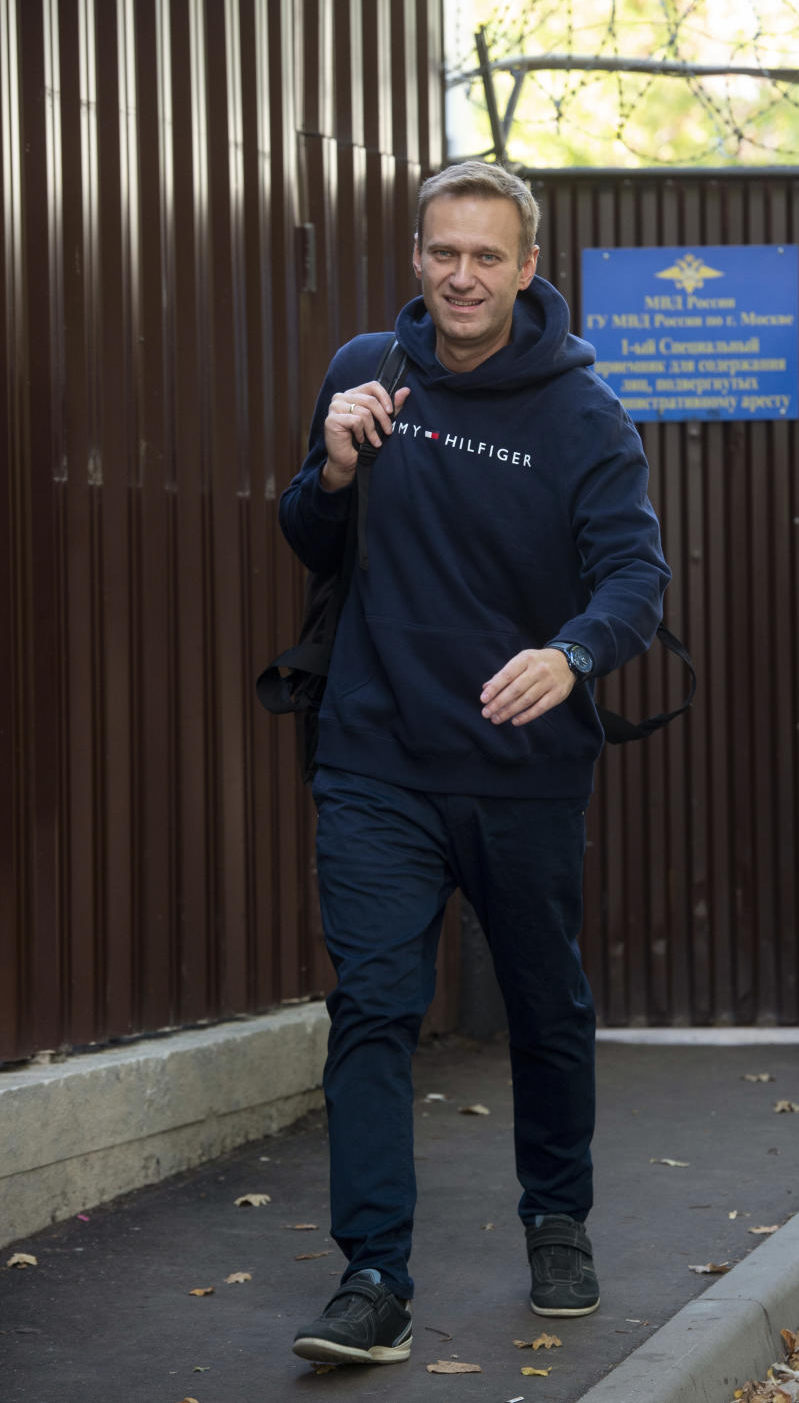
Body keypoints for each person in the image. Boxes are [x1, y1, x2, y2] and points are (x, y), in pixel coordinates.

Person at [279, 161, 670, 1367]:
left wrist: (571, 653)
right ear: (417, 256)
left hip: (522, 766)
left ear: (527, 267)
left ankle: (557, 1217)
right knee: (374, 1009)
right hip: (375, 756)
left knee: (545, 1003)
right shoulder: (367, 373)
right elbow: (307, 536)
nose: (463, 275)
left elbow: (635, 579)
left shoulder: (581, 413)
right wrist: (334, 466)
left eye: (487, 256)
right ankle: (373, 1277)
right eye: (444, 252)